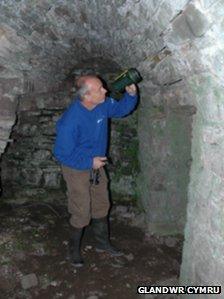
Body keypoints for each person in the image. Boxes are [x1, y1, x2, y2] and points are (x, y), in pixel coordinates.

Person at [53, 74, 138, 267]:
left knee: (101, 203)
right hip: (76, 166)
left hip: (96, 164)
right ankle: (73, 250)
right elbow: (61, 154)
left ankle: (102, 243)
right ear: (88, 96)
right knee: (81, 208)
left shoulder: (102, 104)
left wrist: (131, 95)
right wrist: (89, 162)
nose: (105, 90)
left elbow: (121, 109)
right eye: (100, 89)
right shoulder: (70, 121)